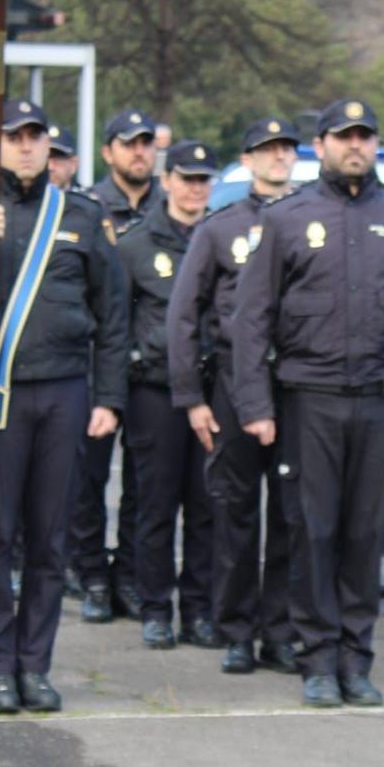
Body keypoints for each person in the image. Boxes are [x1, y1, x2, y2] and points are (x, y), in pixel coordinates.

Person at [229, 98, 384, 709]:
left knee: (364, 535)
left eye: (365, 136)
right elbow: (251, 321)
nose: (355, 146)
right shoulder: (288, 219)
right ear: (319, 145)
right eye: (343, 136)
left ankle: (357, 657)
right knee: (312, 532)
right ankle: (317, 658)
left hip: (381, 403)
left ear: (377, 145)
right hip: (308, 401)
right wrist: (255, 405)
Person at [0, 98, 129, 713]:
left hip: (66, 391)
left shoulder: (82, 217)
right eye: (15, 137)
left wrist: (109, 397)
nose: (28, 146)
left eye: (36, 136)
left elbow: (113, 315)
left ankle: (35, 666)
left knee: (49, 537)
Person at [168, 116, 301, 676]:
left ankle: (282, 631)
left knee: (293, 517)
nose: (276, 157)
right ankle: (237, 631)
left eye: (284, 148)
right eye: (264, 149)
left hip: (294, 386)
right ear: (245, 161)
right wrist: (192, 397)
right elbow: (183, 314)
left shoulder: (307, 219)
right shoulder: (220, 228)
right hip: (230, 384)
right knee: (236, 514)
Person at [116, 140, 219, 650]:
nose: (196, 187)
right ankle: (156, 606)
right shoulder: (136, 245)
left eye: (204, 179)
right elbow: (116, 324)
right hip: (154, 392)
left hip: (211, 391)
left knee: (206, 507)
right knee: (156, 505)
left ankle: (199, 609)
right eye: (187, 177)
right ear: (167, 180)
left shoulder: (224, 236)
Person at [70, 109, 162, 615]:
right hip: (96, 362)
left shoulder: (169, 210)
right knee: (88, 481)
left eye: (146, 143)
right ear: (109, 152)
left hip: (149, 368)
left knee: (144, 485)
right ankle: (91, 578)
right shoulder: (86, 209)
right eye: (129, 144)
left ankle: (128, 574)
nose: (139, 152)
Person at [46, 126, 81, 191]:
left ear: (74, 164)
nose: (50, 167)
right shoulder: (23, 199)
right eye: (45, 159)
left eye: (57, 159)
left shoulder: (83, 200)